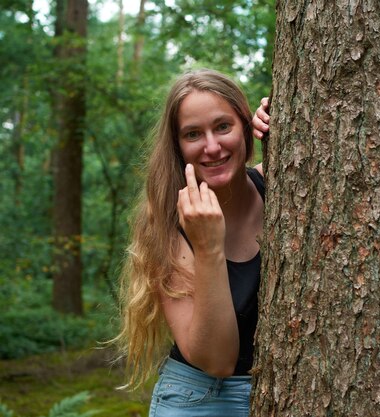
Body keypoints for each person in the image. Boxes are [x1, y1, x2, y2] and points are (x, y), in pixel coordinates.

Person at [114, 68, 271, 417]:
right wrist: (209, 248)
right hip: (200, 399)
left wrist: (277, 117)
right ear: (178, 146)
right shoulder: (167, 229)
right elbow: (217, 359)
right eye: (193, 134)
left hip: (281, 395)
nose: (212, 146)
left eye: (223, 127)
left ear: (245, 126)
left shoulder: (279, 184)